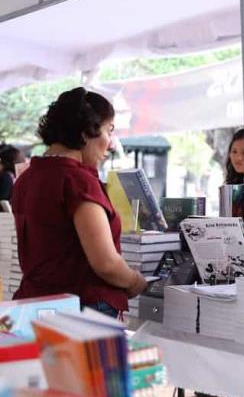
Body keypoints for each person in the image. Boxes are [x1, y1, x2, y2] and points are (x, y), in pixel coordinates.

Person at [12, 87, 147, 318]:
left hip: (30, 306)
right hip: (80, 310)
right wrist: (135, 281)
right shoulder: (78, 181)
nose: (111, 144)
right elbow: (105, 263)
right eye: (108, 130)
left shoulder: (27, 178)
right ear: (86, 133)